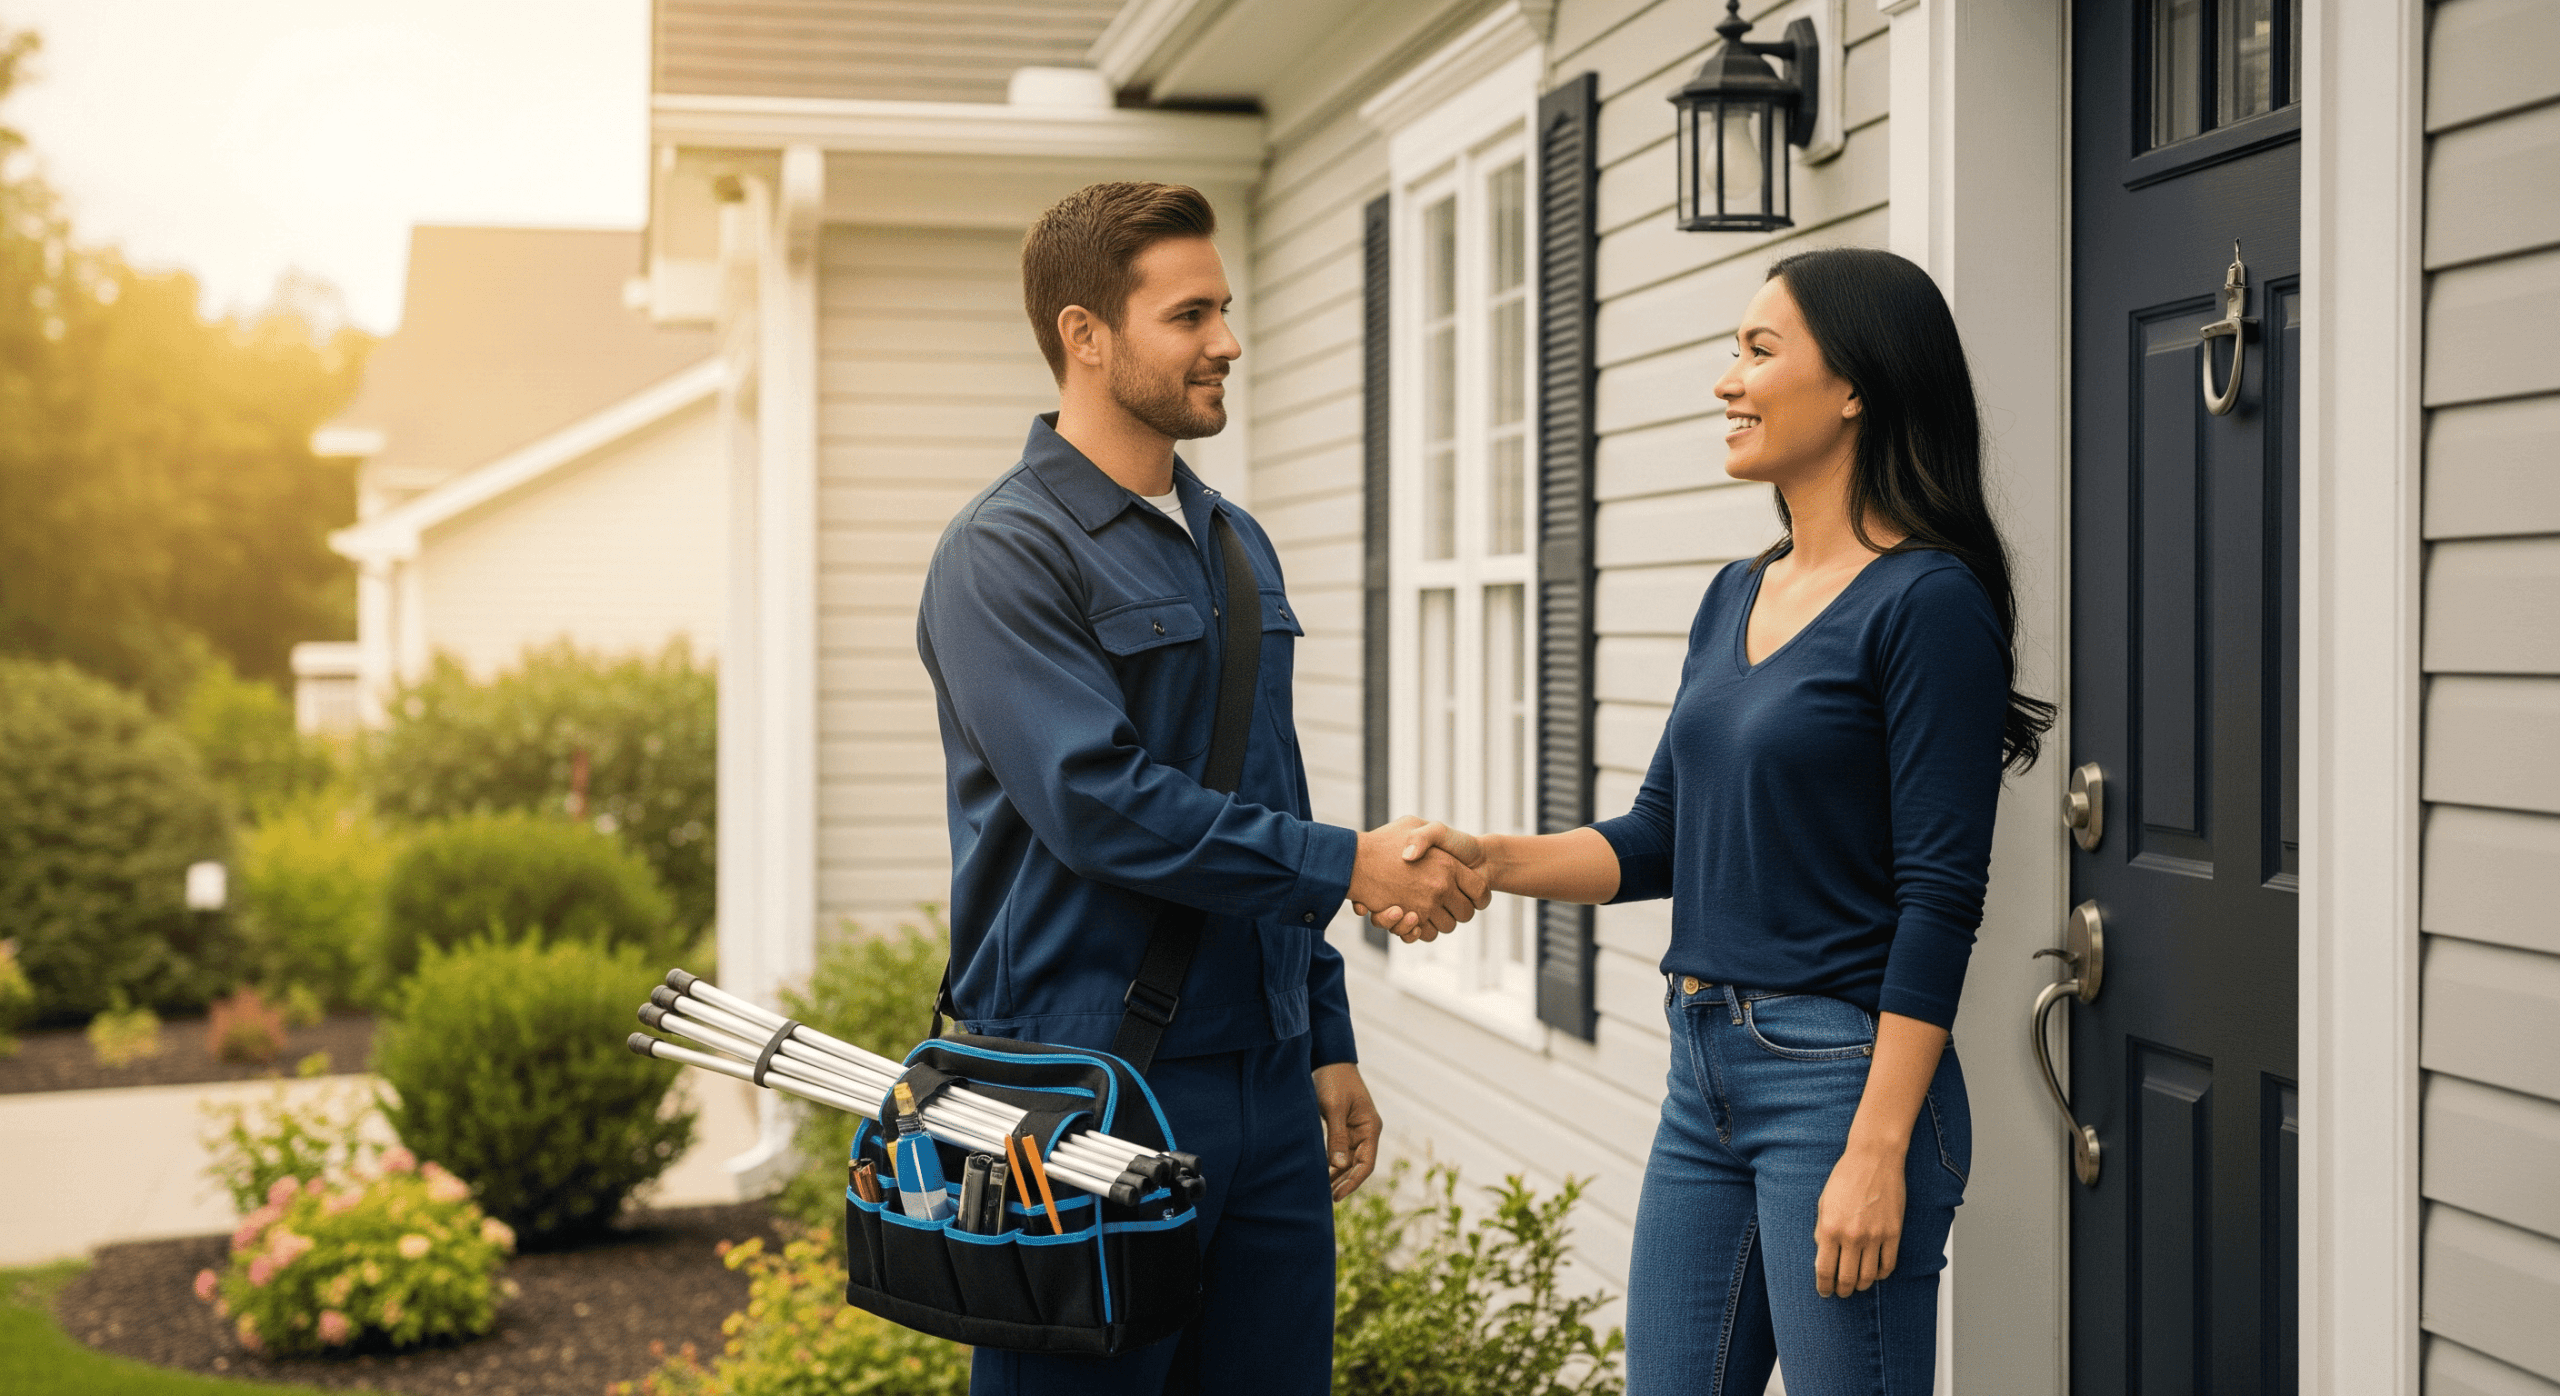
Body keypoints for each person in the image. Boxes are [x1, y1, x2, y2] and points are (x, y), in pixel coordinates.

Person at [1369, 247, 2051, 1395]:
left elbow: (1941, 899)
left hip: (1838, 1080)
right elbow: (1658, 837)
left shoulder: (1927, 601)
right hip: (1703, 1073)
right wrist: (1488, 857)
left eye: (1758, 349)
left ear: (1854, 388)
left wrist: (1876, 1146)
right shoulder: (1736, 591)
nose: (1724, 380)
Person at [915, 181, 1490, 1396]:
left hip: (1266, 1085)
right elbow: (1097, 801)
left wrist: (1322, 1032)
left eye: (1223, 310)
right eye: (1190, 315)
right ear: (1086, 336)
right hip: (1082, 1087)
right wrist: (1348, 863)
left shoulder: (1234, 541)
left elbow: (1264, 786)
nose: (1227, 341)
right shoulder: (1003, 554)